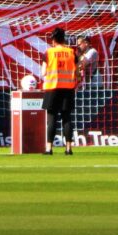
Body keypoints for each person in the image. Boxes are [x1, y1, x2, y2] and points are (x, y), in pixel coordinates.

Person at [42, 27, 77, 156]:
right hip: (68, 89)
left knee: (52, 119)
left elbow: (43, 72)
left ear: (53, 40)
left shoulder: (49, 52)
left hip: (52, 88)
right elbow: (77, 72)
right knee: (67, 118)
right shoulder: (71, 52)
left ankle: (49, 148)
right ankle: (68, 149)